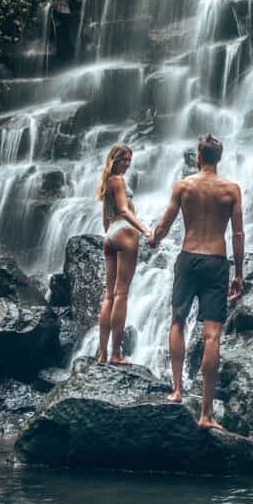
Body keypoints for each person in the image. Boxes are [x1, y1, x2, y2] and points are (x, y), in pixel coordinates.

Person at [150, 134, 244, 429]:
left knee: (178, 320)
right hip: (216, 261)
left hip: (189, 257)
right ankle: (206, 413)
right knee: (212, 336)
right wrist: (238, 272)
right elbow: (238, 234)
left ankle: (176, 390)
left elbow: (165, 223)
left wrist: (154, 238)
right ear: (219, 158)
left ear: (199, 157)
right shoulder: (231, 190)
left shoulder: (184, 186)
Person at [96, 144, 153, 365]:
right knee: (121, 295)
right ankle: (116, 353)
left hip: (110, 235)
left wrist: (109, 233)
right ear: (115, 160)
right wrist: (145, 230)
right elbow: (123, 209)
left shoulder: (107, 181)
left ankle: (102, 354)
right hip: (124, 233)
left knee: (108, 296)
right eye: (124, 159)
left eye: (130, 160)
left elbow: (105, 216)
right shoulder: (118, 180)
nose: (128, 164)